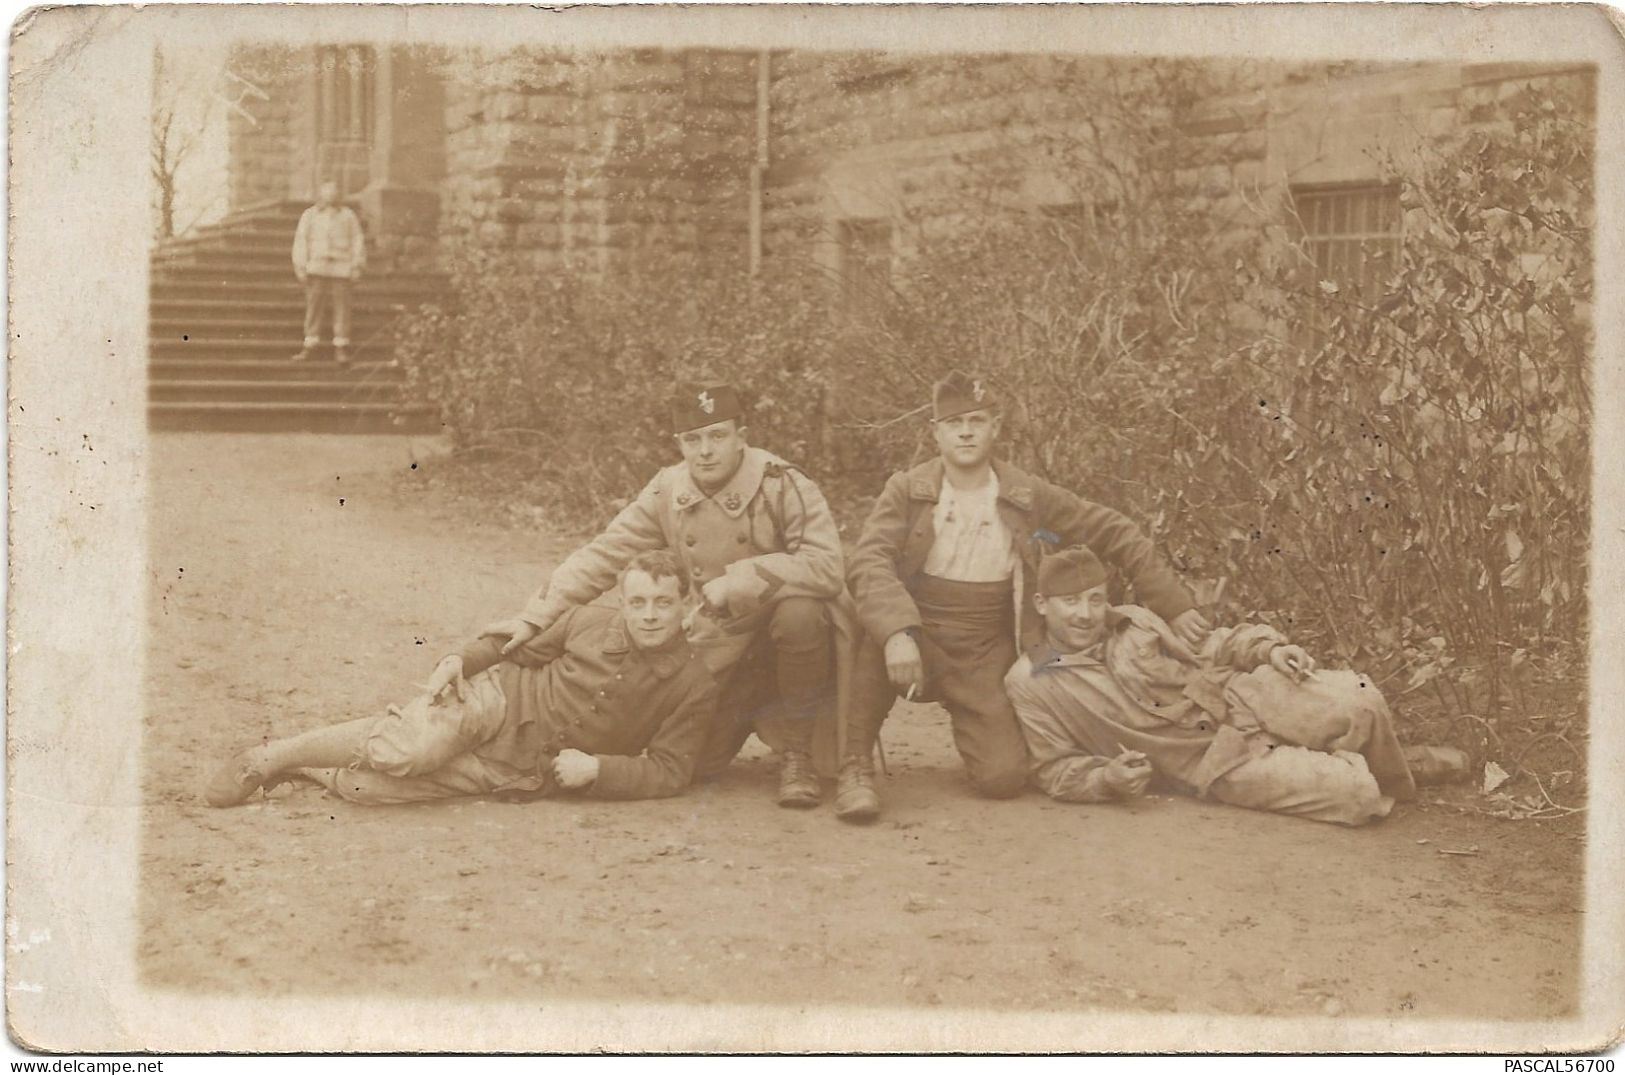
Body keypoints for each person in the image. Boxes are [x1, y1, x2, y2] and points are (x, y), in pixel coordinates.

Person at [839, 371, 1207, 821]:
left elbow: (1114, 530)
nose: (967, 431)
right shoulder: (909, 490)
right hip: (915, 629)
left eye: (977, 420)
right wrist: (897, 632)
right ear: (935, 433)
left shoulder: (1027, 497)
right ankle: (855, 765)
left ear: (996, 426)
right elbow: (869, 560)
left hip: (984, 646)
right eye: (954, 423)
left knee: (1003, 777)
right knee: (873, 634)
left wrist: (1175, 604)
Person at [480, 381, 847, 809]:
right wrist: (535, 616)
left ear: (742, 438)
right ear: (679, 444)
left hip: (781, 641)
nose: (705, 450)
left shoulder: (782, 484)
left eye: (717, 436)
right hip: (715, 648)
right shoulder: (668, 489)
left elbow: (828, 566)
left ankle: (797, 753)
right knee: (700, 765)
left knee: (800, 613)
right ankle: (743, 712)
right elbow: (605, 553)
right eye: (693, 439)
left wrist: (739, 580)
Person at [202, 552, 718, 807]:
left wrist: (600, 770)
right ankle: (270, 756)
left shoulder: (695, 684)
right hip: (497, 699)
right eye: (638, 603)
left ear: (686, 605)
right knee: (408, 751)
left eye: (663, 603)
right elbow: (514, 644)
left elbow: (672, 769)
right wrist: (459, 661)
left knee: (367, 789)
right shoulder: (589, 619)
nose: (649, 616)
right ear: (623, 602)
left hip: (521, 766)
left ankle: (311, 770)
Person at [1006, 545, 1418, 825]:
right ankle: (1385, 764)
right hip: (1216, 760)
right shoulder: (1032, 681)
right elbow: (1053, 769)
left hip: (1242, 696)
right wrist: (1105, 780)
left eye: (1095, 599)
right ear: (1042, 605)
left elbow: (1211, 643)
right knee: (1358, 796)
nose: (1086, 614)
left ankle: (1398, 773)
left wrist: (1269, 649)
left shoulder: (1133, 619)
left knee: (1360, 698)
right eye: (1070, 601)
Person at [290, 180, 366, 365]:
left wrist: (357, 265)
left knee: (342, 307)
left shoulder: (348, 216)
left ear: (339, 193)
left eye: (334, 190)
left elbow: (357, 240)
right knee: (314, 306)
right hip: (317, 266)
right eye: (327, 190)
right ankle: (310, 343)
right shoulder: (310, 215)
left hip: (341, 267)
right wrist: (301, 265)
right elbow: (301, 240)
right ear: (320, 193)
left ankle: (341, 346)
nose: (331, 194)